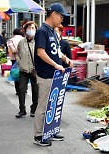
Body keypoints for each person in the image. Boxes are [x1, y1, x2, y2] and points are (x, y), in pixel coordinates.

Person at [34, 3, 73, 146]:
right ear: (54, 14)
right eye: (61, 16)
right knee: (43, 107)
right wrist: (56, 64)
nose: (62, 19)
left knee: (54, 105)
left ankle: (51, 131)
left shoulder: (52, 31)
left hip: (55, 74)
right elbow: (40, 52)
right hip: (46, 75)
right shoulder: (42, 31)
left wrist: (65, 59)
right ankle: (39, 135)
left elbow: (56, 50)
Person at [16, 21, 38, 118]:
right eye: (29, 28)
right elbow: (17, 53)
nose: (31, 30)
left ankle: (34, 109)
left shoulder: (38, 42)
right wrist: (19, 61)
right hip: (24, 70)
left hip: (35, 70)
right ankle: (22, 109)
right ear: (25, 30)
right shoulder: (21, 42)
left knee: (35, 91)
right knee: (21, 89)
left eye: (33, 28)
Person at [7, 28, 24, 95]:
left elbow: (12, 50)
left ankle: (18, 90)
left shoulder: (11, 40)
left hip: (14, 59)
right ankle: (23, 89)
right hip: (24, 59)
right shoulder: (24, 39)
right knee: (23, 74)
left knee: (16, 73)